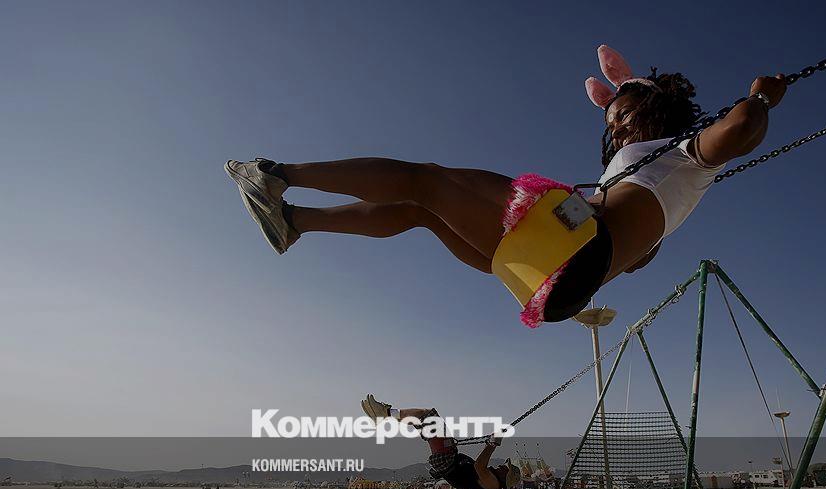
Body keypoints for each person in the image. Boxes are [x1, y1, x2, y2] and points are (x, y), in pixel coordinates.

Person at [224, 45, 786, 327]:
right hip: (554, 283)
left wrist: (760, 98)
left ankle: (277, 176)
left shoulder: (685, 152)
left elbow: (739, 130)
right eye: (612, 121)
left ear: (653, 110)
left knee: (425, 180)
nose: (614, 127)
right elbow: (639, 258)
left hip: (570, 251)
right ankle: (295, 222)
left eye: (621, 115)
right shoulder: (656, 175)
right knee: (421, 208)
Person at [360, 395, 521, 489]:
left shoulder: (493, 485)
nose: (502, 465)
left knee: (427, 416)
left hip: (447, 461)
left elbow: (479, 466)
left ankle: (385, 414)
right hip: (448, 459)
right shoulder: (493, 483)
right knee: (424, 419)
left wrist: (493, 444)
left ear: (506, 477)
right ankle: (385, 414)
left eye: (506, 468)